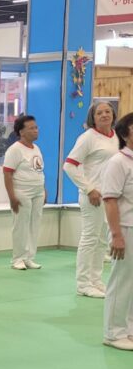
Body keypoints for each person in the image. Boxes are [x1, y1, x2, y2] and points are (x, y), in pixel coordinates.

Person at [64, 101, 119, 298]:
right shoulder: (88, 137)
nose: (104, 115)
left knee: (102, 241)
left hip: (111, 197)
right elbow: (69, 166)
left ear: (113, 115)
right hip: (93, 197)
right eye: (99, 113)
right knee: (90, 239)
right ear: (93, 118)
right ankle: (83, 284)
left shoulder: (116, 137)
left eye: (107, 111)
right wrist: (89, 189)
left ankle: (96, 280)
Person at [101, 112, 133, 350]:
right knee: (121, 281)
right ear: (125, 133)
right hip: (125, 228)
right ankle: (113, 333)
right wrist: (117, 235)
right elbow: (110, 199)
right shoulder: (118, 162)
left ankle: (128, 329)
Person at [3, 114, 46, 271]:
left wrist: (44, 189)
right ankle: (18, 258)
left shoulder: (37, 148)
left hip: (38, 192)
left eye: (36, 127)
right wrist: (12, 197)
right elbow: (7, 174)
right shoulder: (14, 150)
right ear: (21, 132)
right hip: (22, 192)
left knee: (35, 224)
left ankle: (29, 257)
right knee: (20, 226)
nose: (36, 130)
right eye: (31, 128)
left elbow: (39, 171)